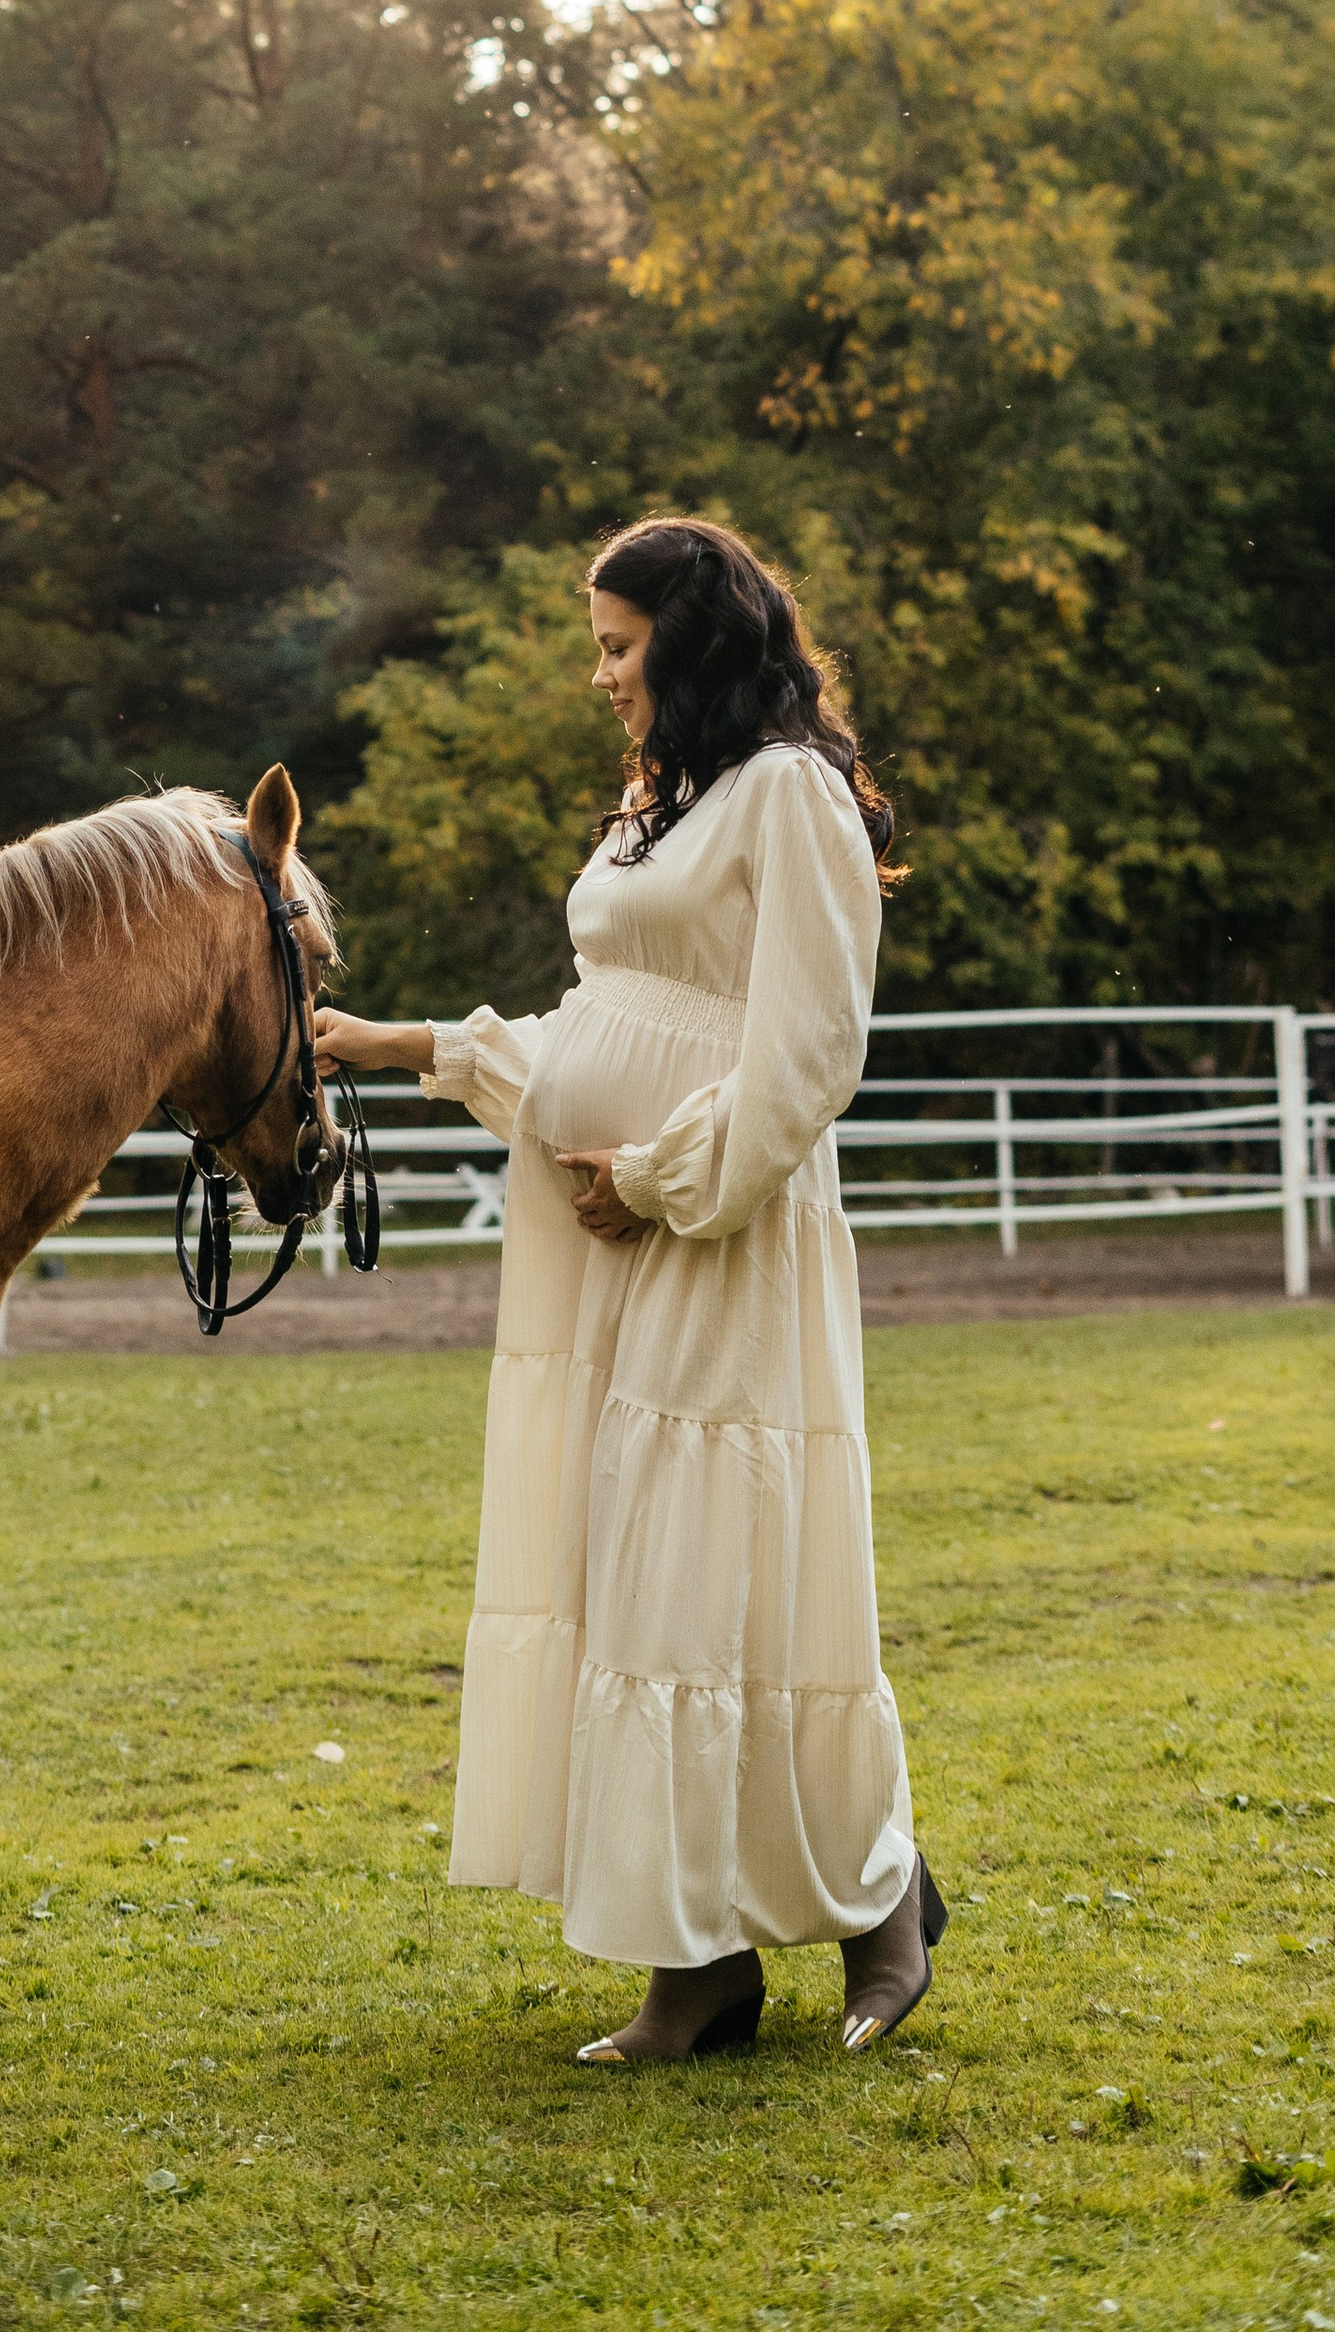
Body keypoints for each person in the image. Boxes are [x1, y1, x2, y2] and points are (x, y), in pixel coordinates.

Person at [317, 518, 942, 2061]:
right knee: (638, 1574)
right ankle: (722, 1958)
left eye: (616, 643)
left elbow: (806, 1052)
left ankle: (850, 1919)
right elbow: (612, 1017)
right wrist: (411, 1047)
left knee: (706, 1570)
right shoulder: (660, 807)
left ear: (693, 639)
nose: (601, 675)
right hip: (605, 1250)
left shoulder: (792, 798)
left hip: (723, 1234)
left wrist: (655, 1177)